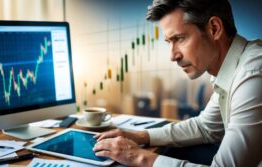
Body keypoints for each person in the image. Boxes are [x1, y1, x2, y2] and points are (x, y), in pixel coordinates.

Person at [92, 0, 262, 166]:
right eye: (169, 42)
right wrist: (141, 136)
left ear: (214, 28)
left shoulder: (252, 75)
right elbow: (205, 127)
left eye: (180, 38)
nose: (173, 56)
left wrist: (139, 158)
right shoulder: (233, 68)